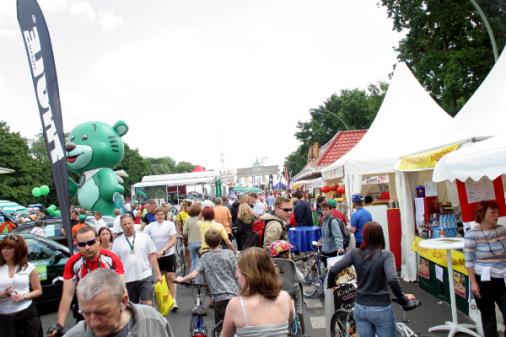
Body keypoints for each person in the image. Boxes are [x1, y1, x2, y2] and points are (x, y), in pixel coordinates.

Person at [327, 221, 415, 337]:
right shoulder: (386, 256)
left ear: (364, 236)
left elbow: (333, 270)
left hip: (360, 308)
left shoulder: (355, 253)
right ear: (380, 236)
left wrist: (331, 284)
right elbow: (392, 279)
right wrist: (402, 298)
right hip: (380, 309)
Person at [48, 226, 124, 337]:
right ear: (77, 245)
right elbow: (67, 296)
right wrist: (59, 325)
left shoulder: (111, 258)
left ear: (98, 240)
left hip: (108, 311)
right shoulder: (72, 263)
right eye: (82, 244)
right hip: (86, 313)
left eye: (91, 242)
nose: (87, 247)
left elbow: (122, 289)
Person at [63, 269, 175, 337]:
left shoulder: (152, 320)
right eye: (86, 313)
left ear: (123, 301)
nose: (93, 323)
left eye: (101, 313)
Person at [220, 247, 294, 337]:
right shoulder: (285, 298)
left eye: (239, 270)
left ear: (248, 275)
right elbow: (289, 323)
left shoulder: (236, 305)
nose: (236, 274)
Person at [175, 229, 239, 327]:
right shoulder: (229, 253)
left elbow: (193, 274)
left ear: (206, 242)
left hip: (219, 297)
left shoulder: (205, 257)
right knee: (236, 324)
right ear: (220, 240)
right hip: (234, 294)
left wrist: (181, 279)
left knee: (221, 326)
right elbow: (237, 273)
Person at [464, 201, 506, 337]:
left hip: (503, 279)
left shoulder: (502, 230)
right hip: (483, 280)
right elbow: (469, 261)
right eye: (492, 212)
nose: (497, 215)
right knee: (489, 320)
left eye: (497, 212)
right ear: (482, 215)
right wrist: (474, 283)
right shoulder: (472, 234)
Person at [112, 214, 163, 305]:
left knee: (147, 304)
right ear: (121, 226)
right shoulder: (117, 242)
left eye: (129, 223)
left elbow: (152, 256)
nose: (128, 226)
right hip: (128, 279)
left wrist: (158, 274)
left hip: (145, 276)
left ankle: (147, 319)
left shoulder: (144, 237)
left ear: (133, 223)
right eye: (125, 224)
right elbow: (115, 264)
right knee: (132, 307)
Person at [0, 235, 43, 337]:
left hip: (27, 315)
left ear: (18, 250)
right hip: (4, 319)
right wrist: (3, 295)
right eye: (3, 248)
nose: (4, 251)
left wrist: (23, 296)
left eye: (9, 248)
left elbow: (38, 290)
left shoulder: (29, 267)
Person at [143, 208, 179, 311]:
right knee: (162, 279)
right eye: (158, 214)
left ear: (165, 215)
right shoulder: (150, 227)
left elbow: (173, 240)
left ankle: (173, 300)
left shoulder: (169, 225)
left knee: (171, 277)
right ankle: (165, 300)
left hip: (169, 254)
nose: (160, 216)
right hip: (156, 256)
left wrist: (163, 250)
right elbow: (144, 239)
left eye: (162, 214)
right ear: (154, 216)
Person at [183, 203, 202, 272]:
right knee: (201, 260)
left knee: (193, 260)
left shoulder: (188, 220)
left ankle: (192, 277)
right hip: (201, 242)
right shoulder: (202, 219)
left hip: (191, 242)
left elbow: (184, 233)